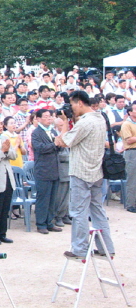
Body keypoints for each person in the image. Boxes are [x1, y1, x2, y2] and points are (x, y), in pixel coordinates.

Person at [55, 90, 115, 259]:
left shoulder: (85, 122)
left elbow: (65, 141)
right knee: (97, 209)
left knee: (78, 211)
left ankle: (79, 249)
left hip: (81, 170)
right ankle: (106, 248)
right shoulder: (100, 118)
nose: (72, 108)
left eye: (72, 104)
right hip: (96, 170)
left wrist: (65, 122)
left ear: (79, 102)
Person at [31, 109, 62, 234]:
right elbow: (39, 148)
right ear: (38, 119)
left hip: (54, 168)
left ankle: (50, 222)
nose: (48, 119)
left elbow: (57, 146)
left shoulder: (53, 131)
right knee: (43, 198)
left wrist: (58, 145)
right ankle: (41, 223)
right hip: (43, 170)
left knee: (52, 198)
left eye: (50, 116)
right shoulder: (36, 133)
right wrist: (54, 145)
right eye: (45, 117)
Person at [119, 104, 136, 213]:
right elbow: (129, 140)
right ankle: (130, 204)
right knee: (132, 179)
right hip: (132, 152)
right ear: (129, 112)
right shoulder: (126, 124)